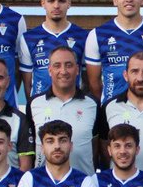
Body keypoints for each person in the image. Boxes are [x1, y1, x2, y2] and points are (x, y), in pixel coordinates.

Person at [26, 46, 97, 174]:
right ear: (49, 70)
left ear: (77, 70)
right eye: (57, 66)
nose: (63, 71)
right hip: (44, 185)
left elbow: (98, 147)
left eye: (69, 65)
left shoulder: (92, 104)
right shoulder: (34, 103)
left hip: (84, 183)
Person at [20, 0, 88, 99]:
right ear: (43, 3)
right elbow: (27, 84)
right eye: (51, 1)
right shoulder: (29, 38)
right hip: (41, 109)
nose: (56, 6)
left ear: (69, 3)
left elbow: (86, 80)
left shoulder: (83, 36)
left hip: (73, 106)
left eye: (61, 1)